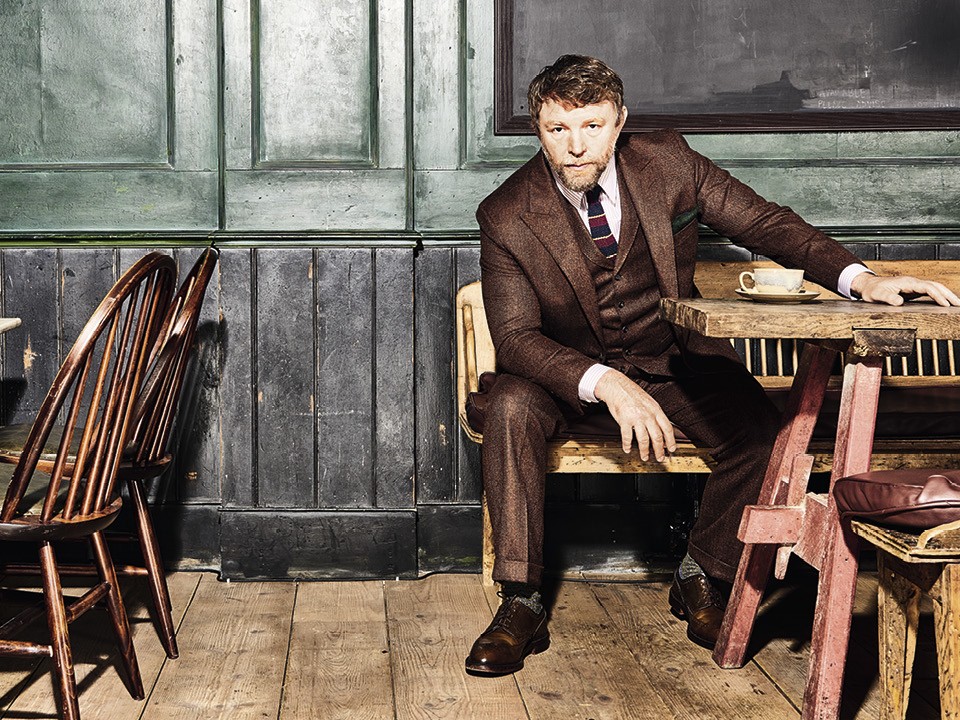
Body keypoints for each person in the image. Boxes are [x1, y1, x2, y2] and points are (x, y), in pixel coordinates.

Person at [464, 54, 960, 676]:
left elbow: (766, 224)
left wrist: (861, 280)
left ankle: (703, 572)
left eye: (592, 126)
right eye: (557, 129)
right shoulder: (507, 213)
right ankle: (521, 601)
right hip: (566, 374)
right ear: (538, 128)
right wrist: (606, 383)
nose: (575, 146)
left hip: (669, 358)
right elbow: (515, 339)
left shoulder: (670, 161)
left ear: (620, 121)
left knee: (762, 433)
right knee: (510, 407)